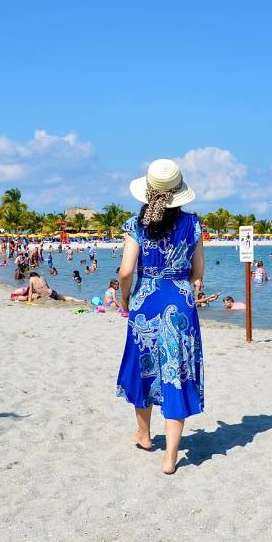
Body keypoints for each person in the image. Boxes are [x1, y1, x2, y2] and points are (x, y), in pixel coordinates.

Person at [117, 158, 204, 475]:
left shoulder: (134, 225)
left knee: (145, 367)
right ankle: (170, 457)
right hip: (180, 302)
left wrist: (125, 297)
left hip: (146, 301)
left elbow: (126, 271)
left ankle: (144, 436)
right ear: (178, 192)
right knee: (175, 372)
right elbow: (198, 274)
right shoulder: (193, 224)